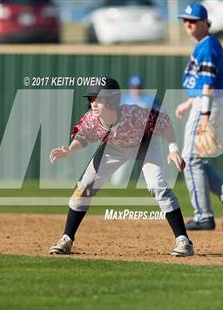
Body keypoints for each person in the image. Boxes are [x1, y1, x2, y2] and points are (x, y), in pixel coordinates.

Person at [49, 77, 194, 256]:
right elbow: (83, 137)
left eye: (99, 99)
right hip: (114, 147)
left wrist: (173, 149)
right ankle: (66, 239)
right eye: (92, 99)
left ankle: (183, 241)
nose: (93, 104)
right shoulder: (91, 119)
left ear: (112, 100)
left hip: (146, 143)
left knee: (158, 186)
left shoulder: (133, 114)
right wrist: (69, 150)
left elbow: (164, 122)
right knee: (84, 187)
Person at [176, 3, 223, 230]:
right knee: (195, 160)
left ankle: (203, 215)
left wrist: (203, 115)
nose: (188, 24)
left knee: (190, 159)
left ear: (205, 22)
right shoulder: (205, 45)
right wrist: (189, 103)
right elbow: (203, 85)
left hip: (208, 105)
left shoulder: (207, 47)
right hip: (206, 103)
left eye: (192, 20)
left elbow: (209, 85)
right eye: (185, 20)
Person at [111, 75, 159, 185]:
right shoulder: (124, 99)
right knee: (120, 167)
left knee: (150, 165)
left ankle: (153, 184)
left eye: (138, 87)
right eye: (133, 87)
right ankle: (115, 188)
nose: (136, 90)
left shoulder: (150, 100)